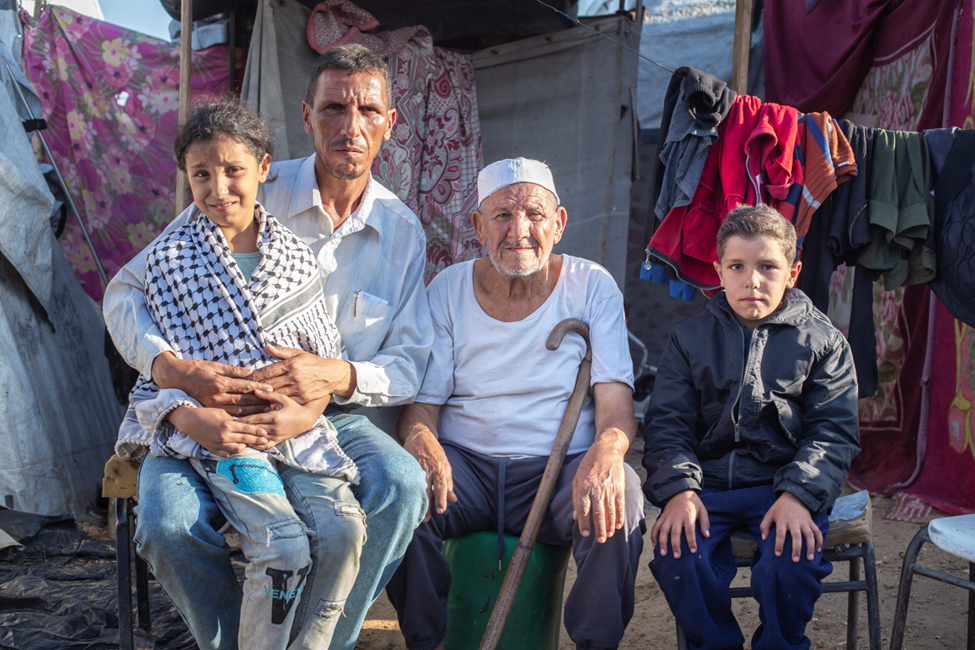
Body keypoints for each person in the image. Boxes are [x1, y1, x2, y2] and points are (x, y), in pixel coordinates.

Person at [102, 44, 431, 649]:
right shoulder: (244, 185)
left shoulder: (402, 231)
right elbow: (131, 290)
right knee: (166, 524)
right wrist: (173, 369)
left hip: (328, 417)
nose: (350, 126)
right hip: (214, 408)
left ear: (390, 123)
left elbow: (409, 363)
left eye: (367, 110)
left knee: (402, 487)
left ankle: (320, 641)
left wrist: (332, 381)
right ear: (307, 117)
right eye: (334, 107)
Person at [115, 97, 364, 649]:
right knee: (282, 546)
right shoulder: (169, 260)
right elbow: (161, 373)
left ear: (264, 168)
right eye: (201, 174)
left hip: (295, 433)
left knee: (345, 532)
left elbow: (317, 361)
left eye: (233, 171)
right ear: (185, 177)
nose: (218, 188)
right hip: (219, 440)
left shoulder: (296, 257)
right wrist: (196, 418)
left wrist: (302, 414)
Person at [386, 158, 646, 650]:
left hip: (562, 471)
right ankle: (429, 641)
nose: (519, 230)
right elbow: (421, 406)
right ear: (478, 226)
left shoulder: (591, 286)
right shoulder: (447, 290)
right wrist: (420, 439)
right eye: (502, 215)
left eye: (533, 214)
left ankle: (596, 644)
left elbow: (616, 406)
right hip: (467, 472)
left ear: (559, 223)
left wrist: (610, 452)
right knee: (401, 492)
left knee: (622, 497)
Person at [642, 203, 861, 650]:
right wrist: (680, 490)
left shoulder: (824, 343)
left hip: (783, 485)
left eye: (767, 267)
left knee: (790, 562)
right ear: (719, 270)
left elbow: (833, 432)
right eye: (737, 266)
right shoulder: (689, 340)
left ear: (793, 272)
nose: (752, 281)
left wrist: (799, 496)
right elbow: (668, 424)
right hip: (708, 488)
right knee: (677, 554)